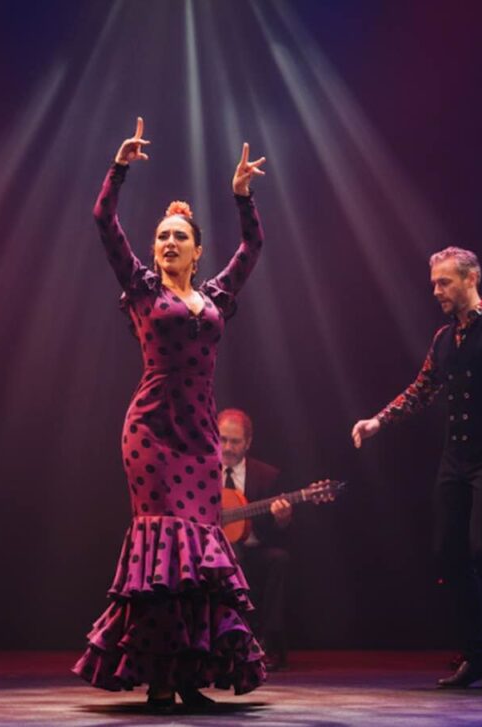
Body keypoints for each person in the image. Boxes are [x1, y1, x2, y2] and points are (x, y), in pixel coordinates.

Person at [72, 118, 268, 710]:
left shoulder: (215, 298)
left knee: (197, 557)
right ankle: (159, 676)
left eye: (179, 236)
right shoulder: (141, 289)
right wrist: (119, 166)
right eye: (161, 237)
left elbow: (253, 247)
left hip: (201, 435)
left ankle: (186, 676)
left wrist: (241, 194)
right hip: (152, 431)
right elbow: (103, 221)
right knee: (162, 552)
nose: (168, 243)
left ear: (197, 248)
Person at [351, 246, 482, 693]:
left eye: (444, 282)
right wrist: (378, 421)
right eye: (433, 283)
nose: (436, 291)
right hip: (456, 459)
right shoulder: (444, 339)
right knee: (448, 554)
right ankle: (479, 656)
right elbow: (422, 388)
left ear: (471, 279)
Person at [217, 408, 292, 670]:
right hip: (210, 556)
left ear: (248, 443)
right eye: (222, 439)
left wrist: (281, 518)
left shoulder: (267, 475)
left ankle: (268, 644)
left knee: (279, 560)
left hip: (253, 551)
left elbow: (276, 532)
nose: (227, 447)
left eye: (235, 441)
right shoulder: (201, 472)